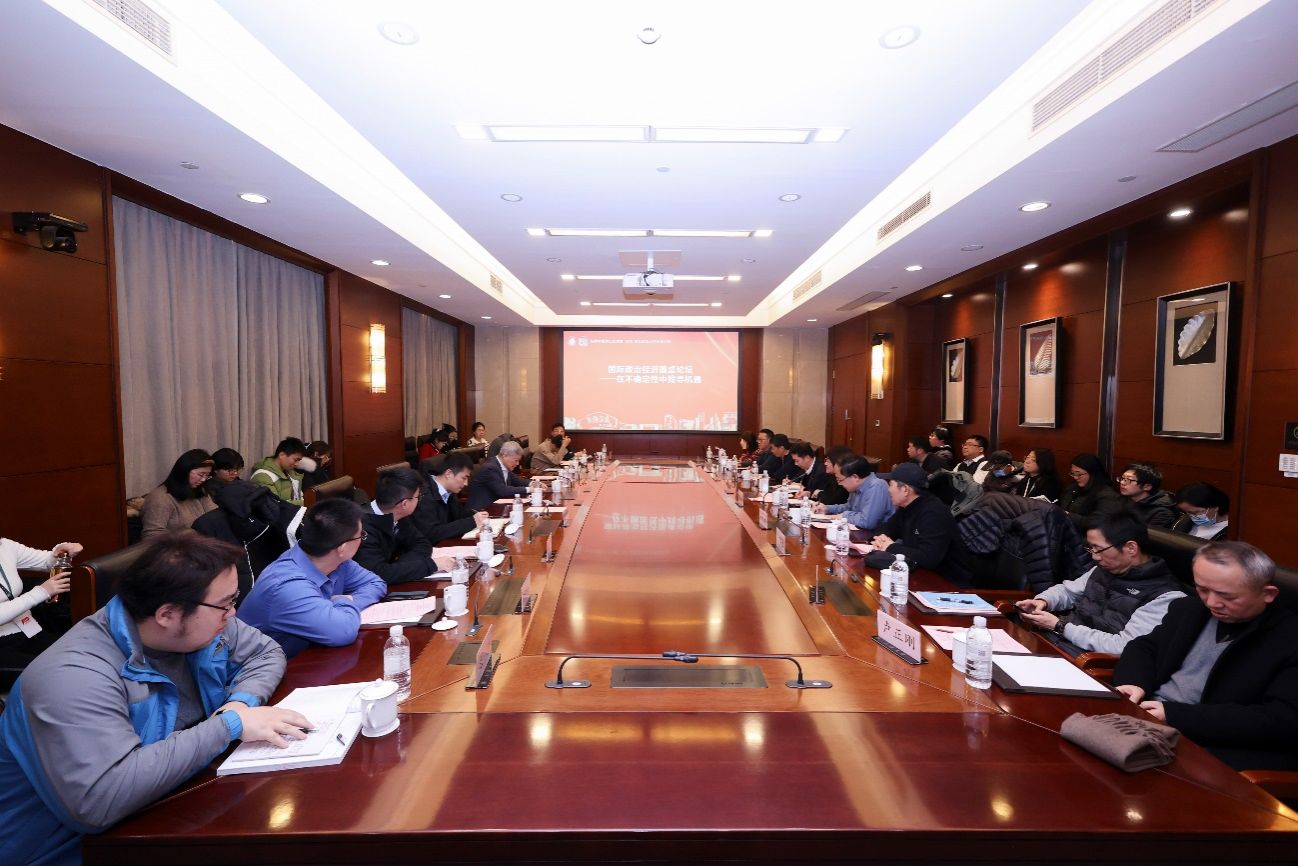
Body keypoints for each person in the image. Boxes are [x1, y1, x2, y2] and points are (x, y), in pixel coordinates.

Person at [0, 532, 305, 865]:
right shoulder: (71, 677)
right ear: (167, 614)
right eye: (225, 603)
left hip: (173, 806)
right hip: (72, 850)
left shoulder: (200, 624)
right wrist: (228, 726)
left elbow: (264, 653)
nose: (232, 613)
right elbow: (100, 801)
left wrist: (239, 704)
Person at [1113, 541, 1298, 771]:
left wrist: (1175, 715)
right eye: (1202, 589)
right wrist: (1134, 682)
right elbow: (1145, 647)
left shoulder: (1289, 639)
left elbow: (1282, 720)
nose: (1212, 603)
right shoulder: (1189, 609)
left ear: (1268, 594)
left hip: (1213, 745)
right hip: (1146, 718)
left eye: (1227, 596)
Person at [237, 498, 387, 657]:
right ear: (342, 548)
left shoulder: (337, 561)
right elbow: (343, 632)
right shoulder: (288, 586)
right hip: (266, 668)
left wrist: (347, 602)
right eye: (361, 535)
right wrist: (341, 601)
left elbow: (376, 583)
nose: (362, 539)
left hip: (310, 655)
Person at [1015, 513, 1184, 654]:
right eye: (1091, 548)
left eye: (1099, 549)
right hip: (1056, 642)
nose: (1094, 556)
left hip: (1087, 661)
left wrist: (1061, 627)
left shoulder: (1165, 596)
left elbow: (1123, 646)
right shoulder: (1105, 568)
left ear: (1131, 548)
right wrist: (1043, 601)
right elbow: (1069, 592)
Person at [869, 462, 971, 585]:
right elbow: (887, 527)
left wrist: (890, 546)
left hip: (948, 582)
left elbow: (928, 558)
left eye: (891, 485)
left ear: (905, 490)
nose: (888, 490)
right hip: (919, 574)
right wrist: (881, 538)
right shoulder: (906, 507)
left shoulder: (934, 513)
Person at [0, 536, 82, 669]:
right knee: (58, 668)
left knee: (79, 653)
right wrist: (41, 592)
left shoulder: (5, 546)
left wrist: (63, 552)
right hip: (3, 643)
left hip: (27, 629)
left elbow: (47, 561)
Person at [355, 467, 434, 584]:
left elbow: (422, 544)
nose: (419, 500)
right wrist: (429, 565)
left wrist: (397, 568)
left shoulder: (398, 515)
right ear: (404, 504)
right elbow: (378, 574)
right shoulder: (361, 527)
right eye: (418, 497)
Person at [411, 452, 490, 544]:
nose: (466, 484)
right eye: (464, 478)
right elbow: (432, 533)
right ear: (448, 474)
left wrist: (476, 515)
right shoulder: (423, 495)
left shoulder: (449, 490)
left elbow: (457, 516)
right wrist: (471, 521)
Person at [139, 448, 218, 539]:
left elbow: (214, 517)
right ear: (184, 471)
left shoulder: (199, 491)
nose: (203, 479)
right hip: (179, 546)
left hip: (203, 543)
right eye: (200, 475)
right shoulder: (160, 498)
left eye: (207, 476)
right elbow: (151, 536)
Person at [813, 456, 894, 532]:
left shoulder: (877, 487)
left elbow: (867, 521)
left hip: (877, 535)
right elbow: (849, 507)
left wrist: (844, 515)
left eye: (840, 480)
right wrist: (827, 508)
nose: (839, 484)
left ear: (855, 477)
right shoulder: (856, 486)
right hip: (860, 531)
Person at [1058, 452, 1124, 527]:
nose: (1075, 477)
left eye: (1079, 474)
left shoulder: (1107, 495)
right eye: (1073, 473)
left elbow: (1099, 522)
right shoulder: (1072, 487)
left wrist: (1068, 516)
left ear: (1092, 473)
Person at [466, 440, 532, 511]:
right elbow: (502, 490)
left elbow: (516, 479)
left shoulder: (503, 465)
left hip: (496, 506)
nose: (517, 464)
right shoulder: (490, 468)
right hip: (481, 510)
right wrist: (528, 489)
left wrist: (532, 483)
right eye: (516, 460)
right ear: (505, 455)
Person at [249, 437, 309, 506]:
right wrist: (307, 502)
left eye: (299, 460)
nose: (297, 464)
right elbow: (273, 505)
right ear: (281, 455)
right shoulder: (262, 476)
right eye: (295, 460)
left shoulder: (290, 472)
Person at [1118, 462, 1179, 529]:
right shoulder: (1123, 499)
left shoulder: (1162, 513)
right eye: (1123, 478)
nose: (1122, 482)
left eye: (1128, 480)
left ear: (1147, 486)